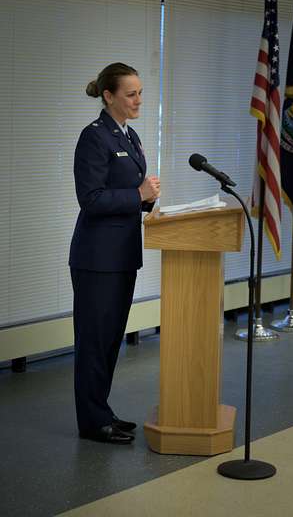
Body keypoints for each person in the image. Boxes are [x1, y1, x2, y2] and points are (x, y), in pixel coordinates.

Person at [69, 62, 160, 444]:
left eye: (140, 92)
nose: (139, 99)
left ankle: (101, 411)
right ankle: (92, 422)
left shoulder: (128, 134)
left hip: (122, 255)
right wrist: (138, 195)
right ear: (109, 96)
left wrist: (148, 201)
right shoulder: (94, 137)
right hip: (96, 259)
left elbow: (129, 196)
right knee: (94, 341)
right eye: (131, 93)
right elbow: (89, 199)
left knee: (109, 340)